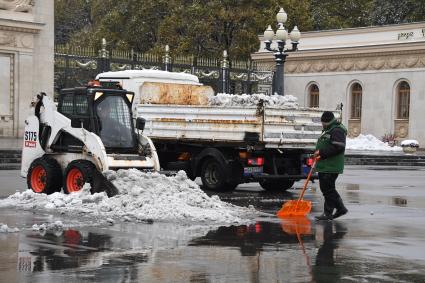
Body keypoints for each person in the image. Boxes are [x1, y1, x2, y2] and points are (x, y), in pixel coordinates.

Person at [313, 111, 348, 221]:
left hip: (331, 166)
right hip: (326, 165)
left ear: (328, 122)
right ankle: (340, 209)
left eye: (323, 122)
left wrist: (321, 153)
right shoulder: (329, 129)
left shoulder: (337, 130)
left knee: (328, 189)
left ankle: (328, 213)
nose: (322, 124)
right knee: (328, 189)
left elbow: (338, 147)